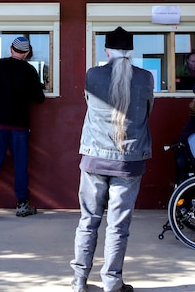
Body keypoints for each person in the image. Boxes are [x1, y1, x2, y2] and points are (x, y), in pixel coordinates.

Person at [71, 27, 154, 292]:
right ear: (130, 52)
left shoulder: (93, 75)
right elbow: (147, 112)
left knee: (88, 220)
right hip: (128, 162)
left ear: (107, 51)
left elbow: (88, 102)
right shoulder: (145, 78)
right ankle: (112, 283)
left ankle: (79, 281)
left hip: (95, 158)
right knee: (118, 226)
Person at [0, 36, 45, 218]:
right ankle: (22, 204)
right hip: (19, 126)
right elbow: (39, 98)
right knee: (20, 164)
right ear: (27, 53)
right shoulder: (30, 71)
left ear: (10, 49)